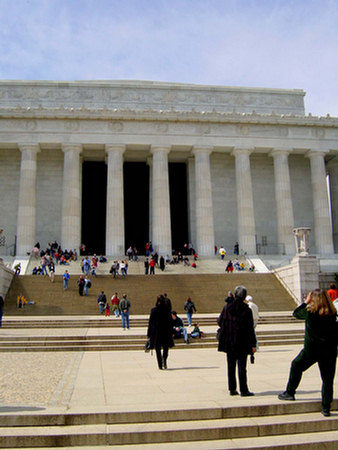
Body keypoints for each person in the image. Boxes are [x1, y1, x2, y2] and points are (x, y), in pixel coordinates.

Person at [278, 289, 338, 417]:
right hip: (329, 350)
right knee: (327, 380)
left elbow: (296, 313)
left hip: (312, 350)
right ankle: (326, 408)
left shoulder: (310, 312)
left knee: (296, 366)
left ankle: (290, 392)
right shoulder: (333, 313)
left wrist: (306, 302)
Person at [218, 285, 256, 397]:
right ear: (244, 297)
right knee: (242, 367)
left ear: (234, 295)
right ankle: (244, 390)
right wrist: (253, 344)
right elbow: (250, 329)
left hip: (229, 341)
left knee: (230, 366)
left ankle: (232, 389)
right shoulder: (247, 310)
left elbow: (219, 322)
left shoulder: (227, 308)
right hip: (242, 342)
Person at [147, 295, 174, 370]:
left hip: (157, 332)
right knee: (166, 347)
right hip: (166, 331)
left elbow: (150, 322)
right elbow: (170, 322)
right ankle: (164, 360)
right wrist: (172, 331)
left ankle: (160, 364)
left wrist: (149, 333)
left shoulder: (154, 310)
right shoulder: (167, 310)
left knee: (158, 348)